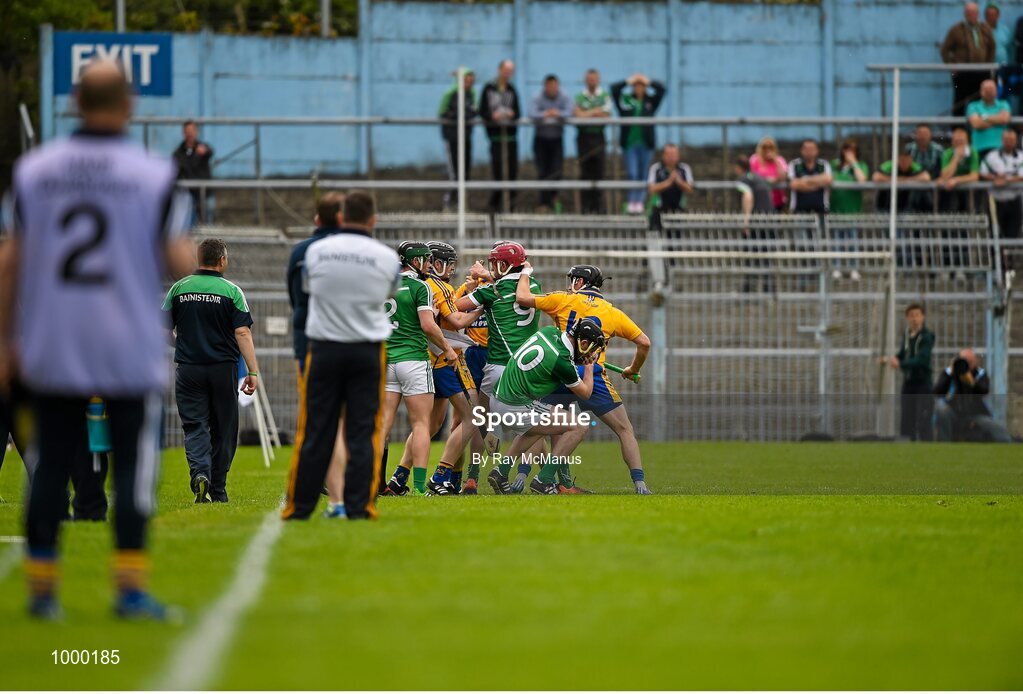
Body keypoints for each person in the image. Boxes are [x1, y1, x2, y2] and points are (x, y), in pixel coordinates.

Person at [0, 60, 195, 620]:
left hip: (52, 339)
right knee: (134, 468)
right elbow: (176, 257)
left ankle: (42, 590)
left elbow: (11, 261)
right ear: (128, 105)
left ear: (75, 102)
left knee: (48, 462)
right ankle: (129, 589)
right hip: (125, 341)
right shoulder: (152, 174)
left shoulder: (34, 171)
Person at [282, 191, 403, 520]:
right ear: (372, 220)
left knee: (316, 429)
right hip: (367, 349)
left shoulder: (317, 251)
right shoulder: (386, 257)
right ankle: (360, 505)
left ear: (341, 217)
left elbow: (306, 288)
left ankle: (300, 506)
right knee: (364, 429)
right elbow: (389, 292)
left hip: (324, 347)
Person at [515, 263, 653, 495]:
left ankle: (521, 476)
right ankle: (640, 485)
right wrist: (631, 368)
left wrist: (525, 273)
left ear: (579, 282)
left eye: (573, 280)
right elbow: (644, 343)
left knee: (542, 427)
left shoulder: (562, 299)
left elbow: (522, 297)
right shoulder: (613, 313)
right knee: (624, 429)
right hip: (593, 375)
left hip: (559, 371)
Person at [163, 239, 259, 504]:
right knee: (224, 429)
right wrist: (253, 371)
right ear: (222, 261)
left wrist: (181, 343)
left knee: (195, 426)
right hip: (222, 369)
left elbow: (162, 330)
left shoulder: (179, 288)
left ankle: (199, 474)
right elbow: (242, 331)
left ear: (198, 258)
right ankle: (218, 489)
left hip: (189, 370)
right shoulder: (232, 291)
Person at [390, 242, 485, 496]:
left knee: (430, 426)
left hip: (422, 361)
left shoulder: (421, 285)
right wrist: (482, 303)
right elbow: (455, 319)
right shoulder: (437, 285)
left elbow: (448, 305)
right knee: (473, 416)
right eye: (449, 264)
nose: (451, 269)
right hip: (447, 361)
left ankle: (399, 478)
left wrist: (468, 290)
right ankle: (441, 475)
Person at [453, 241, 542, 493]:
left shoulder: (491, 290)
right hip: (527, 368)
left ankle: (472, 477)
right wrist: (491, 276)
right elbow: (512, 284)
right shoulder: (533, 285)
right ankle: (538, 479)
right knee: (534, 427)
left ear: (504, 264)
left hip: (499, 366)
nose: (492, 267)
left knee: (479, 420)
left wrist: (474, 287)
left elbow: (455, 309)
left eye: (495, 263)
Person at [286, 192, 350, 514]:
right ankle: (340, 498)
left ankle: (318, 497)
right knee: (341, 425)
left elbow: (297, 301)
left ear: (316, 220)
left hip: (310, 346)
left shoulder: (301, 252)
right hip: (352, 345)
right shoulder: (356, 252)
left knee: (315, 423)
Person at [489, 318, 604, 495]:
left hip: (497, 399)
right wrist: (589, 367)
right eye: (592, 348)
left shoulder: (549, 331)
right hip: (514, 406)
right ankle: (543, 480)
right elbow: (585, 392)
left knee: (538, 429)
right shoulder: (562, 361)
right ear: (583, 343)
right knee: (580, 426)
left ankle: (500, 473)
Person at [378, 242, 458, 497]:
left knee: (382, 425)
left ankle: (372, 482)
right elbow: (427, 326)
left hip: (385, 361)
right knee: (422, 424)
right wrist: (447, 348)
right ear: (414, 261)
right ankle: (421, 486)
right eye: (424, 259)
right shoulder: (419, 286)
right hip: (413, 360)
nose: (427, 264)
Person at [611, 73, 667, 214]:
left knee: (643, 174)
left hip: (646, 144)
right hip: (630, 144)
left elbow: (662, 90)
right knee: (632, 173)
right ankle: (632, 200)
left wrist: (647, 81)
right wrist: (629, 80)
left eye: (641, 86)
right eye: (636, 86)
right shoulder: (627, 101)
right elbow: (614, 90)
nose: (639, 88)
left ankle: (640, 202)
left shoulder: (650, 102)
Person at [933, 348, 1012, 442]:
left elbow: (984, 390)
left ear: (975, 362)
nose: (966, 365)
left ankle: (1009, 443)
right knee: (941, 409)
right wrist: (950, 373)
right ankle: (944, 445)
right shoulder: (950, 373)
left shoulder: (980, 373)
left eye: (970, 361)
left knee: (997, 430)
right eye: (964, 361)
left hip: (976, 413)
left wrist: (972, 382)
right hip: (954, 412)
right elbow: (937, 391)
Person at [882, 304, 935, 442]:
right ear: (907, 318)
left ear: (922, 317)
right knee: (907, 419)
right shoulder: (906, 334)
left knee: (923, 421)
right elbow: (902, 354)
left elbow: (922, 359)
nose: (914, 319)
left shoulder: (927, 337)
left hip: (923, 384)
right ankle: (907, 451)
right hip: (909, 383)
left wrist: (901, 363)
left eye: (917, 315)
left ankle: (927, 451)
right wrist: (890, 359)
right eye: (911, 315)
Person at [479, 60, 521, 213]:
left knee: (512, 172)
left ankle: (511, 206)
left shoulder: (512, 89)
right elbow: (483, 111)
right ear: (499, 70)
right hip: (496, 137)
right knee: (498, 172)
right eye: (506, 70)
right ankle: (494, 207)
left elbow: (518, 112)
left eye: (511, 70)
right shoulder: (488, 88)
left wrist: (512, 114)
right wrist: (492, 116)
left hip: (510, 137)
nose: (508, 73)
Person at [941, 2, 996, 117]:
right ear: (965, 14)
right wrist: (951, 66)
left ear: (978, 14)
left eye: (974, 12)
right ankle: (957, 130)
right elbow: (945, 49)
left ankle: (978, 128)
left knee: (979, 101)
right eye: (969, 13)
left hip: (981, 73)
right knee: (960, 102)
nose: (972, 15)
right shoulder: (956, 29)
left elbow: (992, 47)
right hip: (962, 73)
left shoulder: (984, 28)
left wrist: (988, 64)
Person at [529, 74, 573, 212]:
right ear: (545, 86)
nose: (552, 89)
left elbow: (569, 112)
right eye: (549, 86)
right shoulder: (537, 96)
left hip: (556, 140)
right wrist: (546, 114)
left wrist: (557, 113)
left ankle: (553, 198)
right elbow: (532, 113)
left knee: (557, 170)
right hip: (541, 139)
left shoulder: (564, 96)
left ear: (558, 86)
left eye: (554, 86)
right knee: (542, 171)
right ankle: (544, 202)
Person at [830, 138, 869, 281]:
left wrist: (853, 163)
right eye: (847, 150)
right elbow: (829, 180)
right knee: (836, 242)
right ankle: (836, 267)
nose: (849, 153)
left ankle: (853, 268)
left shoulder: (861, 165)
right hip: (836, 210)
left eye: (853, 150)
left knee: (852, 241)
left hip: (853, 211)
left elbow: (862, 180)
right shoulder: (834, 165)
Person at [438, 68, 477, 211]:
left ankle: (462, 203)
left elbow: (473, 111)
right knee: (454, 172)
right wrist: (458, 115)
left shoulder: (471, 94)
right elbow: (443, 113)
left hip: (466, 136)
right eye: (466, 80)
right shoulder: (451, 94)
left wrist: (465, 115)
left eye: (471, 81)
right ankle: (449, 203)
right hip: (452, 137)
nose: (469, 84)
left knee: (465, 172)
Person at [575, 69, 612, 214]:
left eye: (594, 79)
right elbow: (578, 115)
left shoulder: (604, 95)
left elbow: (606, 115)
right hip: (583, 136)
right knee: (585, 172)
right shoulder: (580, 96)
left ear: (598, 80)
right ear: (585, 80)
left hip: (598, 136)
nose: (592, 81)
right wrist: (594, 111)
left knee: (599, 171)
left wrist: (587, 113)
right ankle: (585, 207)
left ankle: (598, 206)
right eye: (589, 79)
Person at [980, 127, 1023, 240]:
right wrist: (994, 178)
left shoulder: (1021, 157)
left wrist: (1006, 180)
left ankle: (1010, 257)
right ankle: (998, 257)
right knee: (995, 232)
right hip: (996, 201)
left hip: (1015, 200)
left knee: (1014, 233)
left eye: (1012, 139)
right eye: (1006, 139)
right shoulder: (991, 156)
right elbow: (982, 173)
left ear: (1016, 140)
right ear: (1002, 140)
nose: (1009, 141)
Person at [173, 119, 214, 222]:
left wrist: (204, 151)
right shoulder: (179, 153)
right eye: (187, 131)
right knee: (189, 225)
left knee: (209, 224)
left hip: (205, 193)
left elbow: (210, 151)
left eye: (192, 131)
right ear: (184, 133)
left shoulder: (203, 148)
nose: (190, 134)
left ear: (196, 132)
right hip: (188, 195)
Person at [646, 143, 694, 231]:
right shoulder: (656, 168)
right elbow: (651, 188)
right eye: (668, 154)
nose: (671, 157)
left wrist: (679, 182)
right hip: (659, 207)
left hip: (678, 207)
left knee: (676, 234)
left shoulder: (684, 168)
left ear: (678, 155)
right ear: (663, 155)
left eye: (674, 154)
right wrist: (669, 182)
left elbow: (690, 188)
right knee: (655, 228)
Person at [873, 148, 932, 213]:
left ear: (911, 160)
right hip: (886, 204)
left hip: (907, 206)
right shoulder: (890, 165)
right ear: (897, 159)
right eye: (902, 160)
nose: (904, 163)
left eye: (907, 160)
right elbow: (876, 177)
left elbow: (926, 177)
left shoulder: (914, 166)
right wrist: (896, 180)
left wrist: (906, 180)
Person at [939, 126, 981, 212]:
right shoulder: (948, 153)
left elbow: (974, 176)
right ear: (952, 142)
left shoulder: (973, 153)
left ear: (967, 142)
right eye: (956, 141)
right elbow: (944, 177)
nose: (959, 144)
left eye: (961, 141)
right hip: (951, 193)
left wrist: (956, 180)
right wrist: (956, 158)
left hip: (968, 192)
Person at [966, 79, 1011, 159]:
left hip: (1000, 149)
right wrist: (997, 120)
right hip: (979, 150)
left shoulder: (1004, 104)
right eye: (986, 89)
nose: (989, 92)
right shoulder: (973, 105)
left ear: (996, 91)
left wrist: (983, 117)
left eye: (991, 89)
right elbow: (976, 124)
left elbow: (1004, 119)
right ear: (981, 91)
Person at [787, 139, 833, 215]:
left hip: (821, 211)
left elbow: (828, 180)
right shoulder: (794, 164)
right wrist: (818, 183)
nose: (809, 151)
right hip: (799, 211)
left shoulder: (824, 164)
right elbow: (794, 184)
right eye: (806, 149)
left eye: (812, 149)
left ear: (817, 151)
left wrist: (805, 180)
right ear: (802, 150)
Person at [906, 124, 944, 211]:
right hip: (914, 184)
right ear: (915, 135)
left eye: (925, 133)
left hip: (933, 184)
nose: (922, 137)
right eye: (920, 133)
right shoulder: (909, 148)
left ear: (930, 135)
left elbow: (944, 168)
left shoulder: (938, 149)